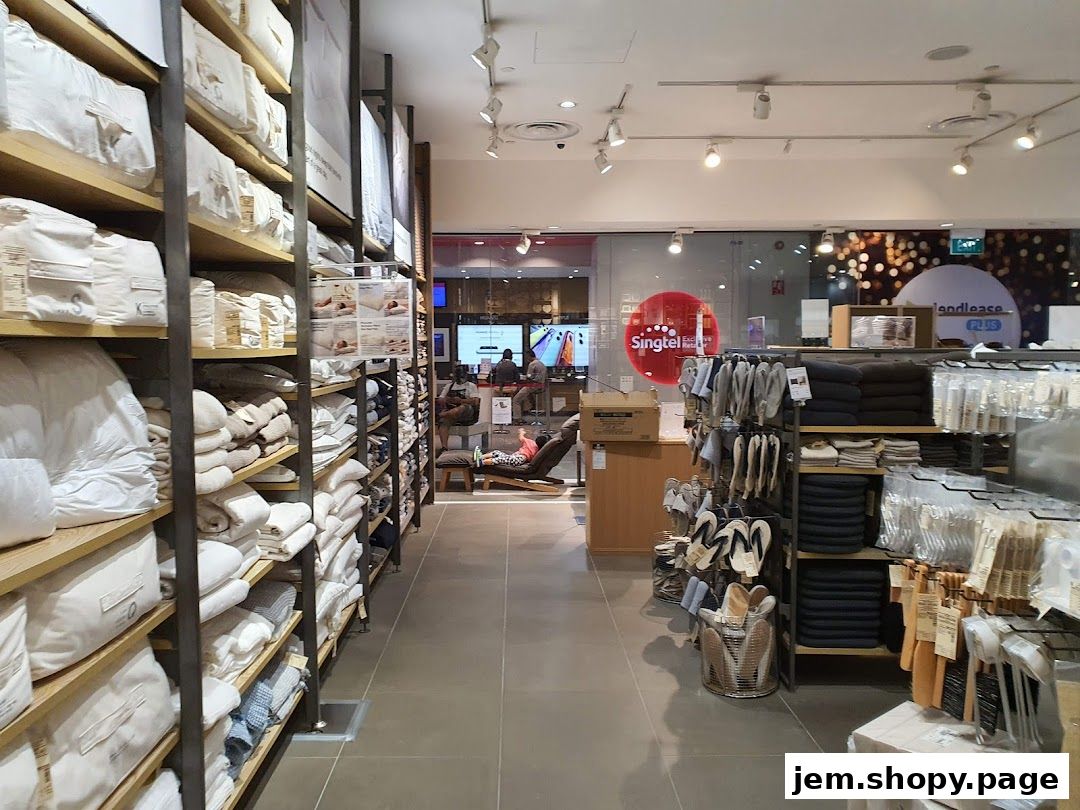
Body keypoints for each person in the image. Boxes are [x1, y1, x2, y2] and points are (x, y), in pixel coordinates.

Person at [436, 365, 481, 450]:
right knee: (443, 423)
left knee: (462, 407)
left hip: (466, 413)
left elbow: (475, 401)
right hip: (452, 412)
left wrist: (460, 401)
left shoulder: (471, 386)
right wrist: (448, 399)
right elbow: (440, 399)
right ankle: (444, 447)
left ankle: (442, 414)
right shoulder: (449, 386)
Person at [473, 428, 550, 467]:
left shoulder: (530, 441)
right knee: (498, 454)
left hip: (520, 458)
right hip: (517, 457)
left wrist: (521, 432)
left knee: (500, 458)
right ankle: (480, 457)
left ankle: (482, 462)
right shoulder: (540, 451)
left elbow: (521, 438)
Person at [513, 349, 548, 421]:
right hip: (540, 386)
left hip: (533, 386)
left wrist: (523, 377)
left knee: (516, 400)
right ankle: (533, 404)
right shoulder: (541, 363)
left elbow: (529, 376)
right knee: (525, 393)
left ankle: (517, 418)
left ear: (529, 357)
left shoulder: (532, 364)